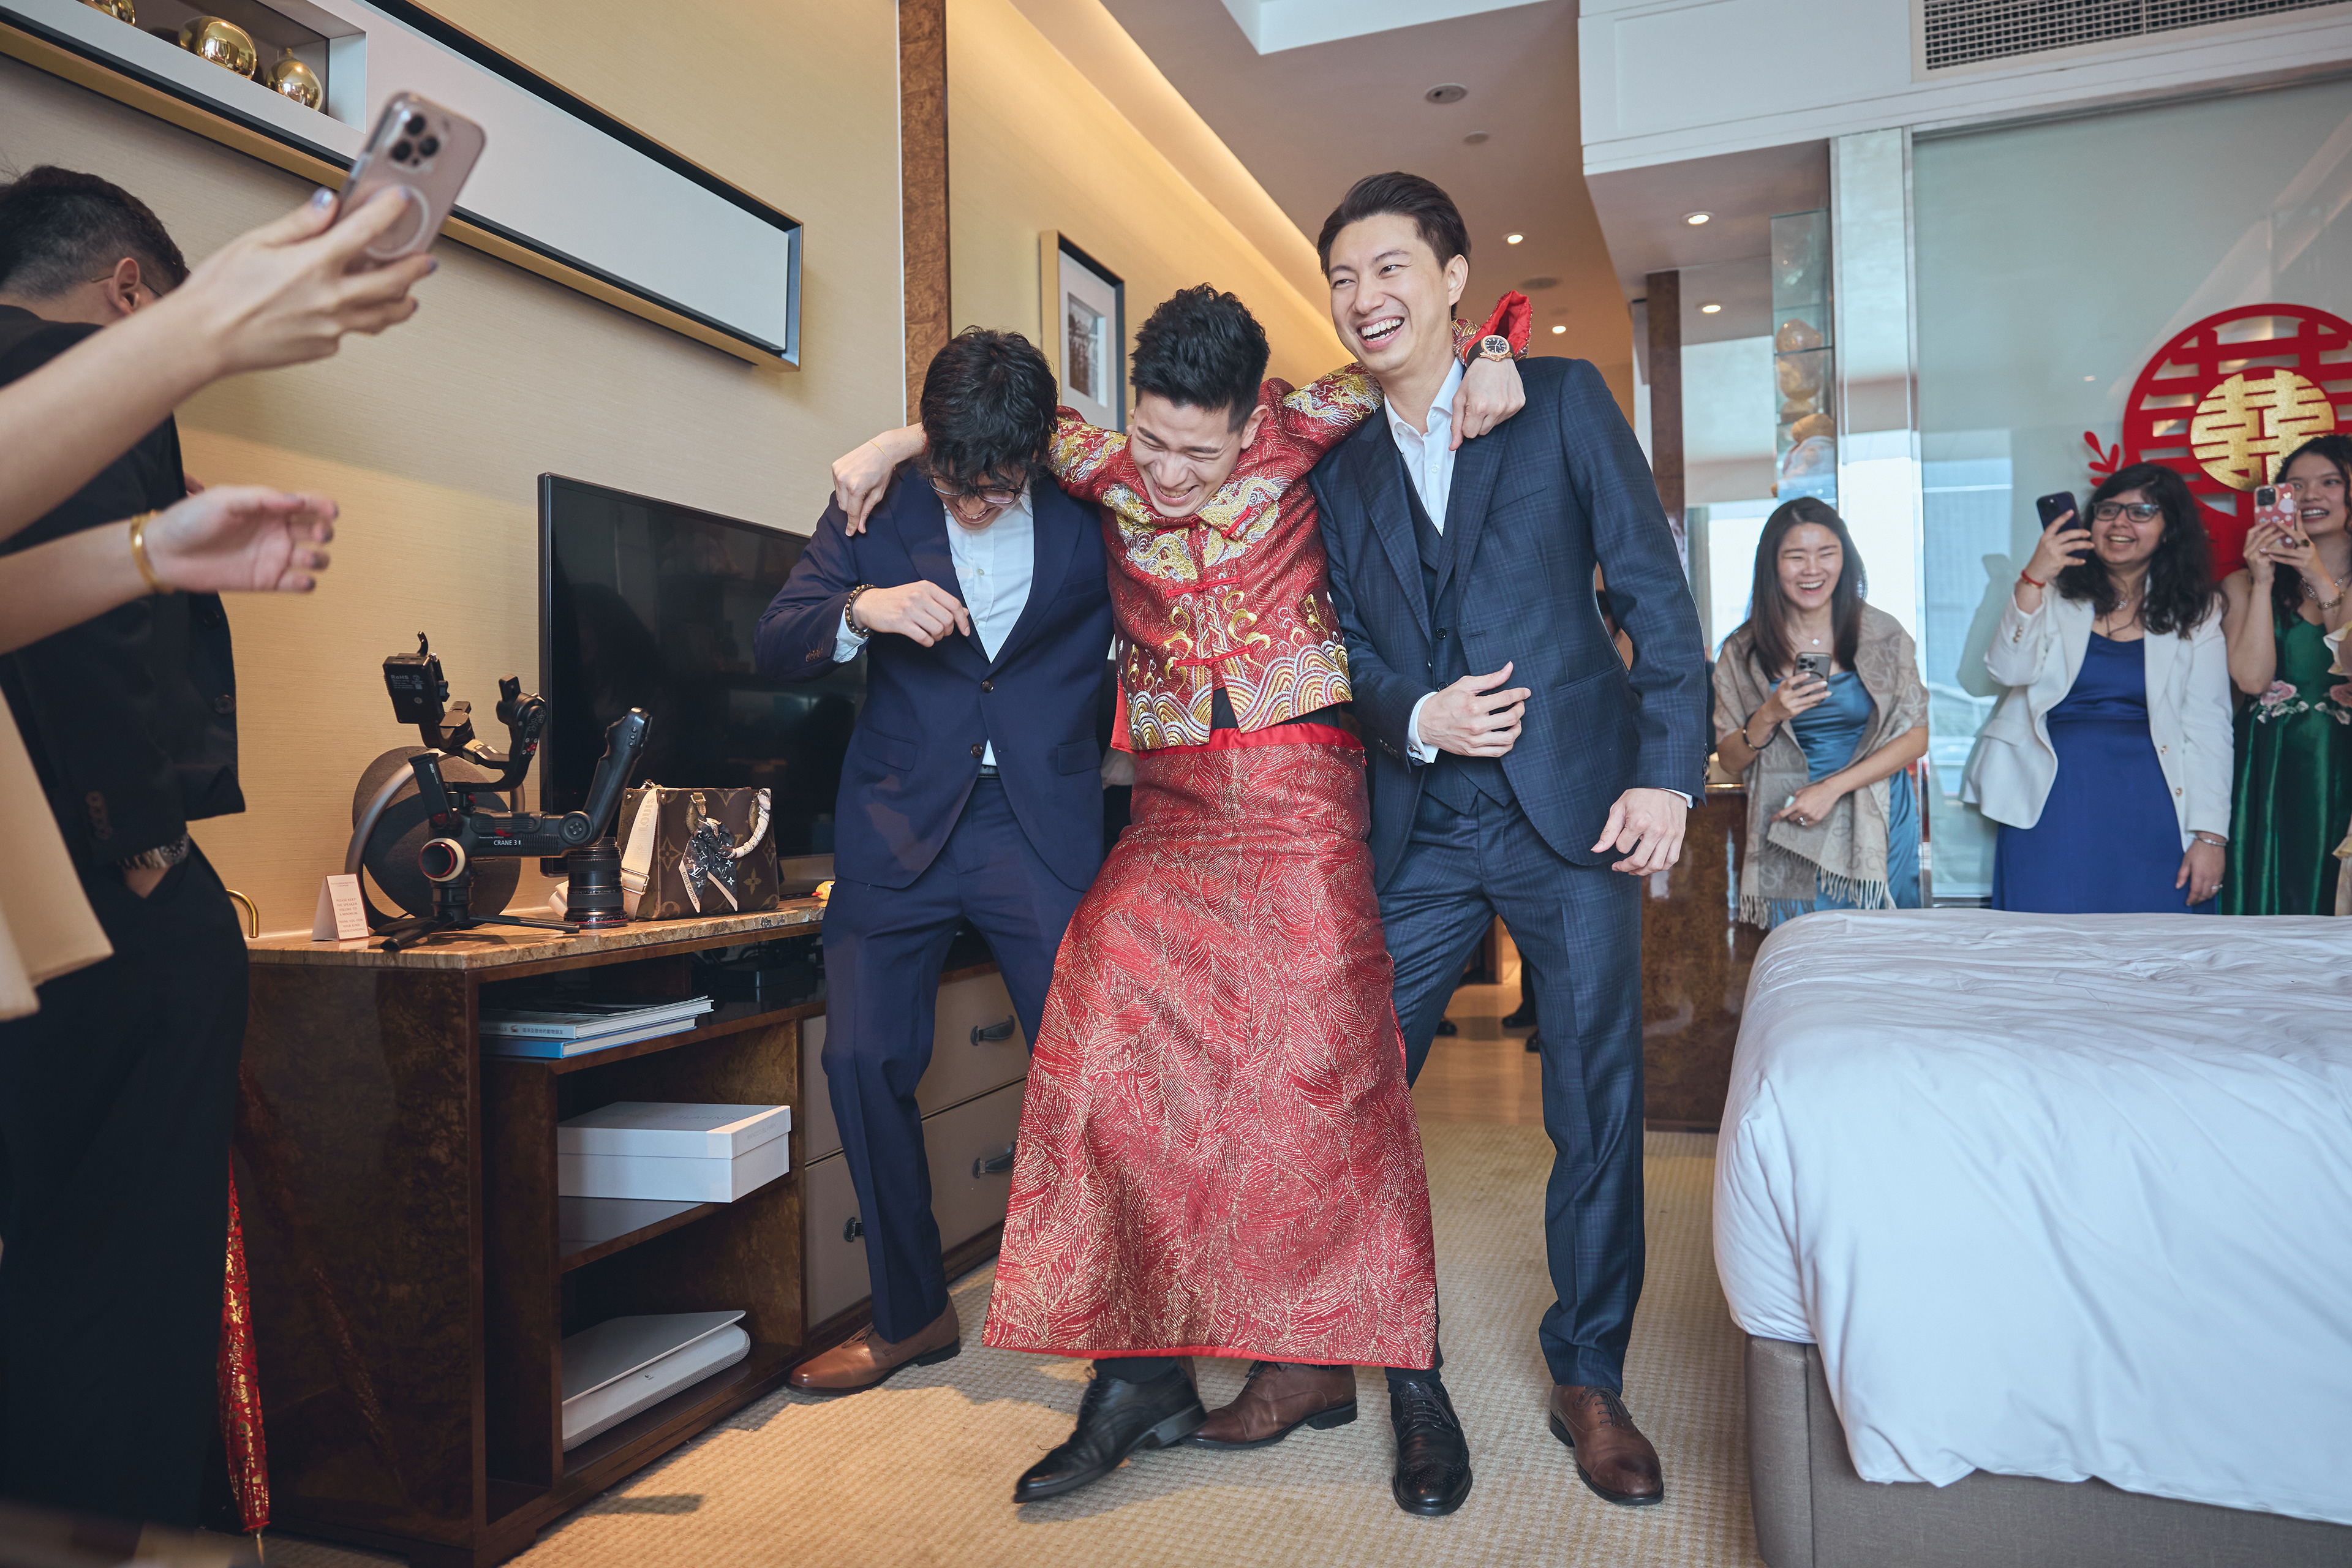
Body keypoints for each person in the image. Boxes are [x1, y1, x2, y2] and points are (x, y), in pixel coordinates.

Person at [832, 284, 1528, 1513]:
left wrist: (1491, 352)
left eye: (1196, 454)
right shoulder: (1097, 456)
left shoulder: (1305, 422)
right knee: (1099, 1037)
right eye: (1150, 441)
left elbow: (1418, 347)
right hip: (1170, 807)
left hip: (1302, 795)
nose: (1164, 475)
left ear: (1250, 422)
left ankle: (1408, 1375)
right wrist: (893, 444)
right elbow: (993, 434)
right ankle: (1136, 1377)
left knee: (1334, 1082)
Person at [0, 167, 416, 1530]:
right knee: (121, 1268)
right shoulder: (68, 373)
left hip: (42, 895)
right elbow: (102, 671)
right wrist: (143, 852)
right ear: (128, 286)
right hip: (93, 892)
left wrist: (150, 549)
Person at [1305, 172, 1709, 1512]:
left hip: (1574, 810)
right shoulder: (1338, 466)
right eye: (1343, 278)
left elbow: (1653, 594)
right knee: (1359, 1091)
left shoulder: (1561, 399)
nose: (1366, 297)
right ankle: (1403, 1366)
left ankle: (1589, 1372)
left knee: (1595, 1101)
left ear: (1454, 278)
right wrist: (1412, 714)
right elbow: (1342, 646)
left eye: (1390, 268)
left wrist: (1667, 774)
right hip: (1421, 823)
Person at [754, 328, 1115, 1395]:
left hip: (1036, 821)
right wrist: (862, 610)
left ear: (1037, 455)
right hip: (897, 820)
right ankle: (911, 1316)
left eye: (994, 488)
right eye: (954, 484)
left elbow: (1170, 457)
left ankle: (1117, 1321)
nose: (971, 506)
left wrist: (896, 437)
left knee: (1088, 1073)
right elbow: (776, 639)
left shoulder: (1092, 504)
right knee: (859, 1061)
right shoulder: (880, 503)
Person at [1962, 465, 2228, 912]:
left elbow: (2209, 726)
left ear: (2169, 530)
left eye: (2141, 512)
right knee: (2047, 935)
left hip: (2156, 797)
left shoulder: (2198, 610)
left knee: (2160, 940)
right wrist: (2034, 578)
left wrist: (2211, 836)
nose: (2120, 522)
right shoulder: (2050, 591)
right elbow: (2007, 671)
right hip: (2049, 795)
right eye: (2108, 510)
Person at [1713, 499, 1928, 927]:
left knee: (1885, 943)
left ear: (1845, 559)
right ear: (1772, 565)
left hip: (1876, 815)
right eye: (1796, 556)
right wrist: (1770, 714)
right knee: (1806, 945)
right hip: (1789, 816)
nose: (1812, 569)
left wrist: (1831, 789)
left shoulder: (1883, 634)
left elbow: (1916, 738)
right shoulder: (1741, 651)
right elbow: (1732, 760)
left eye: (1826, 553)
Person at [2219, 433, 2352, 914]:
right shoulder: (2242, 583)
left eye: (2331, 482)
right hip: (2267, 764)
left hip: (2341, 760)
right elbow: (2252, 681)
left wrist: (2319, 579)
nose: (2311, 495)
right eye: (2295, 486)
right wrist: (2263, 583)